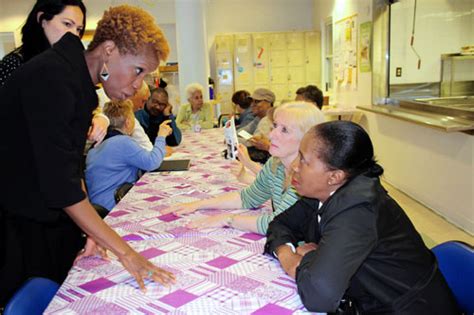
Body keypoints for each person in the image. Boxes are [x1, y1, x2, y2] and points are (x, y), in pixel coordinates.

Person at [0, 5, 176, 306]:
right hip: (15, 220)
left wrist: (90, 228)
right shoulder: (53, 78)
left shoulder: (78, 82)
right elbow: (60, 185)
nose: (138, 86)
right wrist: (127, 253)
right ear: (108, 50)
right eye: (138, 71)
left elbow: (71, 167)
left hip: (43, 211)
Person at [264, 121, 459, 314]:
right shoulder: (323, 191)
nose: (295, 167)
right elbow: (280, 224)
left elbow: (319, 295)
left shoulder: (358, 210)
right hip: (363, 300)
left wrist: (311, 258)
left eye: (304, 160)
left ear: (335, 176)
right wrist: (287, 254)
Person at [162, 102, 325, 235]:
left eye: (284, 130)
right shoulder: (276, 164)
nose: (271, 135)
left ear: (306, 140)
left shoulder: (306, 179)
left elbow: (278, 223)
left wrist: (227, 219)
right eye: (275, 126)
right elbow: (248, 197)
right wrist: (199, 204)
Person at [0, 0, 109, 145]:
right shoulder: (14, 64)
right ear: (42, 20)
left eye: (78, 29)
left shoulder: (69, 68)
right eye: (67, 24)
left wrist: (100, 118)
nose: (74, 36)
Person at [86, 100, 171, 211]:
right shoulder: (122, 142)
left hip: (97, 206)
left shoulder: (96, 145)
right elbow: (152, 162)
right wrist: (161, 136)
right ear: (128, 122)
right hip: (113, 205)